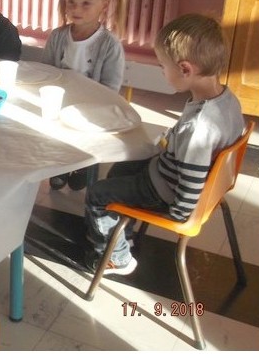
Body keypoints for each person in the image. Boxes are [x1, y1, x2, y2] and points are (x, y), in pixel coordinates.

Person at [83, 14, 245, 275]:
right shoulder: (228, 99)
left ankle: (116, 257)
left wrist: (178, 215)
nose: (162, 72)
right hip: (171, 175)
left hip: (164, 191)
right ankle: (122, 234)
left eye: (162, 66)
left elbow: (190, 183)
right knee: (120, 170)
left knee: (97, 194)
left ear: (185, 69)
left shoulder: (198, 128)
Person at [42, 0, 127, 191]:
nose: (75, 9)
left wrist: (89, 106)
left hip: (92, 108)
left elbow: (111, 87)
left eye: (85, 3)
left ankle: (84, 167)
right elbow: (47, 71)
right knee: (59, 137)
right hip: (61, 103)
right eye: (71, 2)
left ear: (104, 5)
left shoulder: (110, 44)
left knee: (85, 142)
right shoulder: (58, 36)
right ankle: (60, 166)